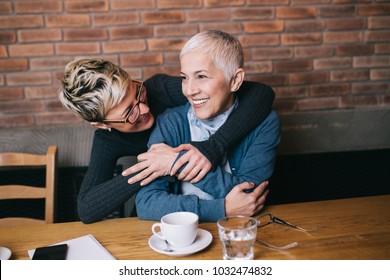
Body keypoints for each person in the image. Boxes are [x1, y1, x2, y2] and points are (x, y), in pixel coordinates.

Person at [58, 54, 274, 224]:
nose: (144, 108)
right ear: (102, 124)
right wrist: (152, 167)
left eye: (137, 92)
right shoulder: (107, 141)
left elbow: (261, 94)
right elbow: (87, 209)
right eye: (129, 112)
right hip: (167, 210)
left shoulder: (158, 90)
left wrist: (213, 147)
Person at [136, 30, 280, 222]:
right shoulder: (171, 122)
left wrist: (176, 163)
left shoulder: (265, 122)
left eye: (202, 76)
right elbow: (147, 203)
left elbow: (250, 195)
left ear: (235, 80)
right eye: (184, 77)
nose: (189, 90)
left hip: (241, 230)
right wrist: (221, 209)